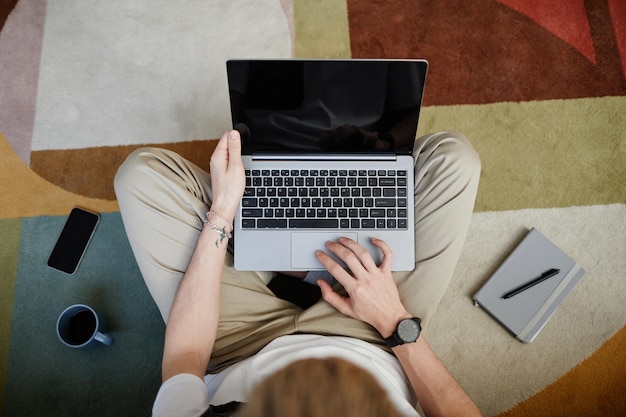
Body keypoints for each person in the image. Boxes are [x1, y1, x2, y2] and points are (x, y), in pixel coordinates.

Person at [114, 129, 482, 417]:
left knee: (140, 175)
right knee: (454, 159)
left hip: (238, 345)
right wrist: (395, 321)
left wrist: (224, 211)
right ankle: (297, 252)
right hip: (375, 338)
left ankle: (270, 234)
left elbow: (185, 355)